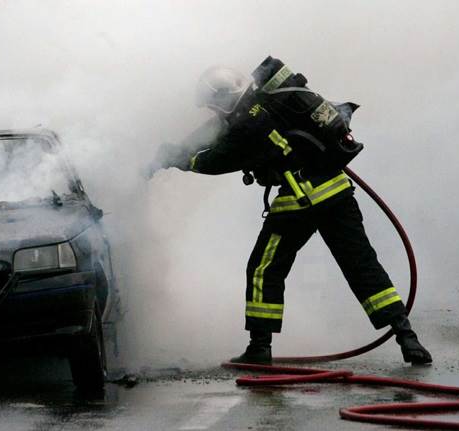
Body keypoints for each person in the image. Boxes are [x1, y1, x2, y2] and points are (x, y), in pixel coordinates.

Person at [153, 57, 431, 365]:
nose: (214, 112)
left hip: (299, 201)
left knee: (263, 269)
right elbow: (213, 133)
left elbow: (219, 159)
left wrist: (181, 160)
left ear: (223, 98)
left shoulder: (249, 121)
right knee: (362, 265)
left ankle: (260, 347)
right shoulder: (267, 102)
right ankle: (408, 338)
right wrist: (178, 148)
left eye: (213, 105)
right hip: (337, 191)